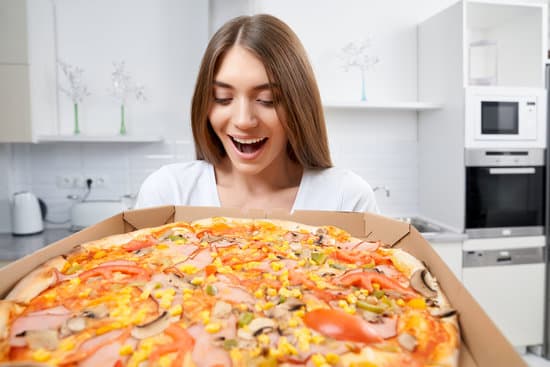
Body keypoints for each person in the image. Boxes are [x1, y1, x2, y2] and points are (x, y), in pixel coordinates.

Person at [135, 14, 379, 213]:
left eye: (267, 100)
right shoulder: (167, 192)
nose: (243, 120)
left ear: (298, 106)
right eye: (223, 98)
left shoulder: (346, 198)